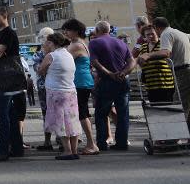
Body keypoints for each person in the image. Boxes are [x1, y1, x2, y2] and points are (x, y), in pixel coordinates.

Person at [0, 6, 26, 162]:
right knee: (11, 115)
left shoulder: (8, 33)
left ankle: (3, 151)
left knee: (3, 116)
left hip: (8, 80)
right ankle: (16, 148)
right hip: (7, 78)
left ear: (4, 16)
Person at [89, 21, 135, 151]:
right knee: (123, 113)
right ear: (109, 30)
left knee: (101, 113)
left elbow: (94, 61)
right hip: (123, 80)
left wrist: (109, 73)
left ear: (97, 31)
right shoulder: (121, 43)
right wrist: (124, 72)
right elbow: (131, 61)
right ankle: (121, 143)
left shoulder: (94, 42)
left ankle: (102, 143)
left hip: (106, 81)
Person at [38, 32, 81, 160]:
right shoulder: (68, 54)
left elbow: (40, 70)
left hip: (56, 92)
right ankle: (74, 150)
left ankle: (67, 151)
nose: (45, 44)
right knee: (72, 121)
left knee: (61, 122)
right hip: (71, 92)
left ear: (52, 43)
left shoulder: (51, 56)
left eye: (47, 42)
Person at [141, 16, 190, 125]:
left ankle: (175, 136)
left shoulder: (166, 34)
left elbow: (165, 53)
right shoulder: (179, 33)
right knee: (186, 104)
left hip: (182, 71)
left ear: (157, 28)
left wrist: (148, 55)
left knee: (179, 104)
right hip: (186, 69)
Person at [60, 19, 98, 155]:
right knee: (82, 113)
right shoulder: (81, 43)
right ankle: (89, 142)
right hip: (83, 81)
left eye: (67, 30)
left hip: (80, 82)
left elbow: (62, 58)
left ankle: (92, 144)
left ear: (75, 30)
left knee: (82, 113)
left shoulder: (75, 45)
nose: (65, 33)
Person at [135, 24, 174, 103]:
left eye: (152, 33)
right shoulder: (143, 47)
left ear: (157, 33)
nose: (150, 36)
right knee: (155, 110)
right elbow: (141, 63)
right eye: (148, 35)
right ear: (144, 36)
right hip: (150, 85)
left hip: (165, 84)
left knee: (168, 109)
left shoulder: (163, 44)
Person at [32, 27, 55, 151]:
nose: (44, 41)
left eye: (45, 38)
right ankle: (48, 141)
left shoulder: (56, 53)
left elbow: (42, 69)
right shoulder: (39, 54)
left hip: (52, 87)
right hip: (44, 88)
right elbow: (39, 70)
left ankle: (60, 141)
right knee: (47, 114)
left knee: (56, 113)